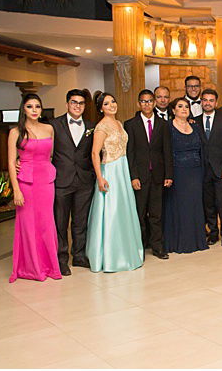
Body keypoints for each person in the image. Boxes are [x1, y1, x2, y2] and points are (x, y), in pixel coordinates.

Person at [86, 92, 143, 272]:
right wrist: (100, 177)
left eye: (113, 101)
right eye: (106, 103)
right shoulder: (101, 127)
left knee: (124, 210)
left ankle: (127, 252)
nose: (112, 105)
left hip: (122, 170)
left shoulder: (119, 123)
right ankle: (111, 256)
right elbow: (95, 153)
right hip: (109, 170)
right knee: (112, 211)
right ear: (101, 108)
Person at [7, 94, 61, 283]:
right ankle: (32, 268)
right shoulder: (15, 132)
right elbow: (11, 162)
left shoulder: (49, 129)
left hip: (46, 181)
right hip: (26, 183)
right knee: (28, 224)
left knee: (47, 223)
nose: (34, 110)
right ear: (23, 109)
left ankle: (50, 266)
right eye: (30, 106)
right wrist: (16, 189)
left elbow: (51, 155)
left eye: (37, 106)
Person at [50, 89, 96, 276]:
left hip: (84, 180)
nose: (78, 106)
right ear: (67, 103)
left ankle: (79, 255)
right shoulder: (53, 125)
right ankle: (61, 259)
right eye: (74, 102)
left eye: (81, 103)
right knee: (60, 222)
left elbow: (95, 152)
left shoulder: (91, 126)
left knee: (81, 221)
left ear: (85, 106)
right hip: (62, 180)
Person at [124, 89, 173, 260]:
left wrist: (169, 174)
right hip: (140, 177)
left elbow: (167, 150)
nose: (147, 104)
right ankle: (139, 247)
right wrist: (133, 176)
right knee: (139, 213)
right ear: (139, 103)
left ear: (154, 103)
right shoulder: (130, 124)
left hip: (158, 176)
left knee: (156, 214)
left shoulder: (163, 124)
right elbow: (129, 154)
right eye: (143, 101)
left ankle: (158, 247)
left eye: (150, 101)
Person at [164, 98, 208, 254]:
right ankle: (180, 242)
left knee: (194, 205)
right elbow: (165, 151)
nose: (184, 109)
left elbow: (203, 149)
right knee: (179, 206)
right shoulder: (167, 127)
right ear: (173, 110)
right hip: (177, 172)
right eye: (180, 106)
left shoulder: (195, 127)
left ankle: (196, 241)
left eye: (186, 106)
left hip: (195, 172)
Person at [195, 89, 222, 246]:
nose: (207, 103)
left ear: (216, 102)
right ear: (201, 102)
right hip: (203, 171)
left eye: (211, 100)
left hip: (221, 170)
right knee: (208, 204)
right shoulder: (194, 121)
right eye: (205, 100)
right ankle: (213, 234)